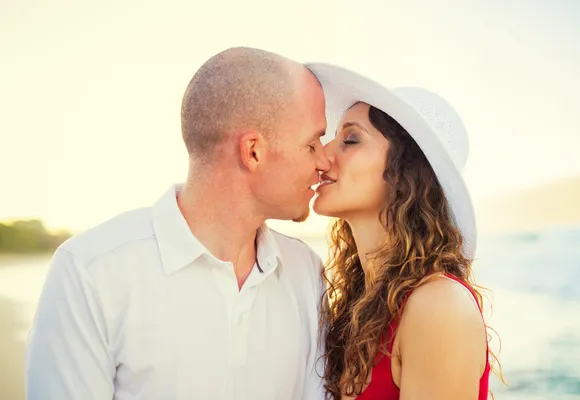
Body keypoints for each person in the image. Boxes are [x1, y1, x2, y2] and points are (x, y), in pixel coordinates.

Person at [24, 47, 331, 400]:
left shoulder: (305, 271)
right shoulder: (91, 271)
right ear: (253, 152)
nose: (324, 160)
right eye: (312, 143)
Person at [307, 62, 496, 399]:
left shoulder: (439, 306)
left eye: (350, 140)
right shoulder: (358, 309)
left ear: (403, 173)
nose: (322, 154)